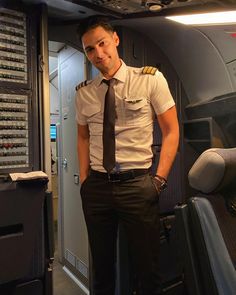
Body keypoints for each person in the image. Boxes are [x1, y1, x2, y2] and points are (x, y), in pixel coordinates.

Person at [75, 16, 179, 295]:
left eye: (102, 43)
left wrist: (158, 180)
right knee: (102, 271)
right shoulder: (84, 93)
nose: (99, 54)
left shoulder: (149, 80)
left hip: (138, 185)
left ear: (115, 39)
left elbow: (171, 131)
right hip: (97, 187)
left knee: (147, 271)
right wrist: (85, 179)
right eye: (90, 49)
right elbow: (83, 136)